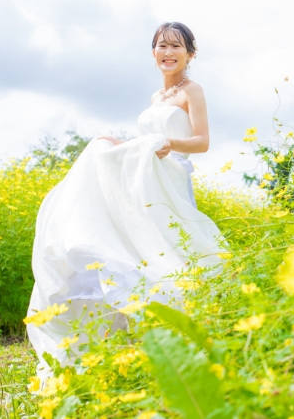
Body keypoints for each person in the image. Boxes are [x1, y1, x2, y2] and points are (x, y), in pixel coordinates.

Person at [25, 22, 224, 378]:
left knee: (168, 248)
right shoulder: (155, 98)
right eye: (161, 46)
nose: (168, 53)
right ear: (153, 53)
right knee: (133, 244)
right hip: (145, 175)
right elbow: (146, 140)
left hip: (170, 177)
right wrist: (117, 144)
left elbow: (202, 141)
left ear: (190, 54)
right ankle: (130, 341)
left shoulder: (192, 91)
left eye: (176, 47)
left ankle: (187, 331)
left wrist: (169, 144)